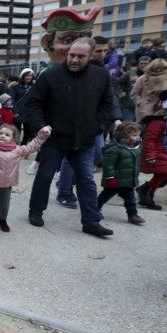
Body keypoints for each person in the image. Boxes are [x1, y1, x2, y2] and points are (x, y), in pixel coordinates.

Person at [26, 38, 117, 237]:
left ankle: (91, 221)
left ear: (91, 56)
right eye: (71, 55)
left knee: (86, 179)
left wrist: (98, 126)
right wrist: (41, 127)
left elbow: (107, 103)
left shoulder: (100, 76)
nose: (74, 59)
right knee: (45, 175)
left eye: (80, 56)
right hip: (55, 138)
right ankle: (36, 210)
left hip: (85, 139)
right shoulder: (51, 75)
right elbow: (33, 104)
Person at [0, 124, 50, 241]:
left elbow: (31, 147)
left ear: (13, 138)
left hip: (7, 183)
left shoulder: (17, 149)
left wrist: (42, 135)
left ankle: (2, 221)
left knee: (5, 206)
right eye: (1, 133)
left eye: (7, 135)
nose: (3, 136)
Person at [97, 122, 144, 224]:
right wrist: (110, 178)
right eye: (135, 135)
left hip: (128, 181)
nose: (138, 138)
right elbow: (108, 165)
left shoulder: (134, 148)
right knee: (105, 196)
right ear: (124, 136)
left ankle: (133, 215)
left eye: (139, 135)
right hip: (114, 180)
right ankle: (95, 210)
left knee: (131, 199)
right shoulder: (114, 149)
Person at [137, 93, 167, 210]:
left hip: (166, 153)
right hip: (157, 153)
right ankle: (145, 190)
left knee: (165, 174)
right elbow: (149, 139)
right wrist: (150, 154)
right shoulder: (158, 122)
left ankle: (147, 195)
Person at [131, 58, 167, 123]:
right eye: (156, 68)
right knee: (144, 129)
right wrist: (140, 103)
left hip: (162, 108)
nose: (159, 70)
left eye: (162, 68)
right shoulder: (142, 78)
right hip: (145, 109)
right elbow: (134, 93)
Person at [9, 70, 35, 144]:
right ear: (22, 76)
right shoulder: (15, 87)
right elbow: (12, 99)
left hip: (29, 113)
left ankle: (23, 146)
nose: (29, 77)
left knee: (29, 131)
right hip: (18, 113)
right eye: (27, 75)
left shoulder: (33, 87)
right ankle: (15, 148)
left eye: (31, 75)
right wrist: (15, 111)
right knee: (17, 132)